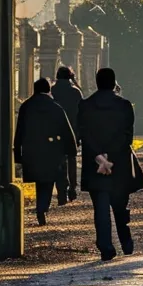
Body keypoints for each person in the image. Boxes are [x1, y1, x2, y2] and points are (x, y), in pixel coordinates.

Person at [78, 68, 143, 260]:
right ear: (114, 82)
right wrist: (110, 157)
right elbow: (127, 136)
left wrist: (100, 157)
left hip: (94, 162)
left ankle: (105, 245)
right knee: (120, 204)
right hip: (119, 161)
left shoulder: (86, 105)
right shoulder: (124, 105)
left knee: (100, 207)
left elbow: (84, 134)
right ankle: (125, 239)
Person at [14, 78, 77, 226]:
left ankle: (41, 208)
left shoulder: (26, 107)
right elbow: (66, 130)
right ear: (48, 90)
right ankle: (42, 208)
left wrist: (17, 154)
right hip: (52, 150)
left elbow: (19, 132)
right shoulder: (55, 107)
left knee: (39, 181)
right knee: (47, 181)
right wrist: (71, 149)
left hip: (32, 150)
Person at [51, 66, 84, 204]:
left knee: (57, 160)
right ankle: (72, 187)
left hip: (55, 131)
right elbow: (81, 114)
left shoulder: (52, 90)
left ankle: (61, 189)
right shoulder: (76, 92)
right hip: (73, 130)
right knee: (71, 159)